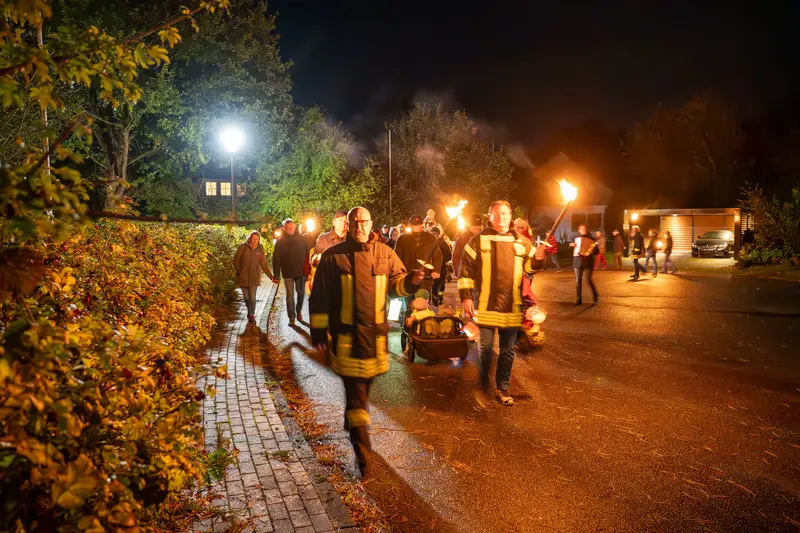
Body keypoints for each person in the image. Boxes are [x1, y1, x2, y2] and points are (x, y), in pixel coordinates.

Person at [310, 206, 424, 476]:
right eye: (355, 222)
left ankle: (353, 420)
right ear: (348, 226)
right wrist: (318, 333)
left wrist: (412, 281)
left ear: (372, 224)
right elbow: (320, 297)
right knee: (358, 400)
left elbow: (397, 285)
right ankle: (363, 455)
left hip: (374, 342)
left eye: (364, 222)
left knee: (362, 393)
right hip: (347, 342)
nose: (359, 226)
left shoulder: (385, 253)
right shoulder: (332, 257)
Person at [459, 200, 544, 407]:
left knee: (507, 351)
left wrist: (539, 258)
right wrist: (466, 297)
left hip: (512, 306)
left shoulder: (522, 242)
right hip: (485, 305)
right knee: (486, 348)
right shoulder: (477, 240)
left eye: (505, 214)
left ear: (510, 216)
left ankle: (502, 388)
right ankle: (482, 384)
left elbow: (531, 267)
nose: (501, 217)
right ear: (490, 216)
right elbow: (466, 270)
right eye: (497, 214)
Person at [234, 231, 279, 323]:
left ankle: (251, 315)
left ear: (259, 239)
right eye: (253, 238)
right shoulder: (243, 247)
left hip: (254, 276)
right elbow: (236, 260)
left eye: (257, 239)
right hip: (243, 276)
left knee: (252, 298)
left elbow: (264, 265)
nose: (255, 240)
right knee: (246, 298)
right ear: (250, 238)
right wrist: (239, 270)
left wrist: (271, 277)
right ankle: (250, 311)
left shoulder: (260, 249)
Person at [273, 219, 310, 326]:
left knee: (301, 293)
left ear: (295, 227)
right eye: (288, 228)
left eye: (292, 227)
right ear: (284, 228)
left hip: (301, 272)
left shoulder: (303, 239)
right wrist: (276, 275)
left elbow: (308, 254)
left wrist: (308, 270)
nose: (290, 229)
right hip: (287, 273)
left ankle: (298, 311)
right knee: (290, 296)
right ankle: (292, 317)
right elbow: (276, 259)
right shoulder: (280, 242)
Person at [394, 215, 443, 297]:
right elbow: (397, 258)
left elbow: (437, 255)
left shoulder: (430, 238)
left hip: (425, 279)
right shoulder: (402, 239)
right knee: (407, 304)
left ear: (422, 224)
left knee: (423, 304)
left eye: (418, 224)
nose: (416, 227)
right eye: (414, 225)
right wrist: (399, 273)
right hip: (408, 278)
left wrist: (436, 270)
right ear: (410, 225)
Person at [309, 210, 348, 292]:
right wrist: (317, 259)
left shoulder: (353, 239)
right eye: (340, 220)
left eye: (345, 221)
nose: (343, 223)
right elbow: (314, 260)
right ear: (334, 222)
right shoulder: (323, 240)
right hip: (328, 284)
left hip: (347, 284)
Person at [570, 224, 599, 305]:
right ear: (579, 230)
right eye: (581, 228)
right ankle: (579, 299)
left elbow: (597, 251)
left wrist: (591, 250)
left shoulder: (591, 239)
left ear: (586, 229)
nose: (583, 229)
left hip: (588, 262)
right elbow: (573, 248)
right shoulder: (576, 239)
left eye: (584, 228)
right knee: (578, 281)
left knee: (588, 280)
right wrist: (572, 245)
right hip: (577, 261)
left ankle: (595, 296)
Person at [452, 213, 482, 278]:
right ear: (469, 225)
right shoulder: (461, 239)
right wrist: (460, 274)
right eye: (474, 225)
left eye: (479, 225)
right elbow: (456, 258)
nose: (477, 227)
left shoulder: (483, 237)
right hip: (467, 276)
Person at [429, 227, 452, 306]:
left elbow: (449, 256)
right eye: (431, 233)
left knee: (437, 288)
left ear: (438, 234)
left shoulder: (443, 244)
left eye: (434, 233)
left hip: (441, 270)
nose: (433, 235)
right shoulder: (429, 243)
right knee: (432, 288)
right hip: (431, 270)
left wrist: (440, 261)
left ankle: (437, 302)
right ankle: (434, 303)